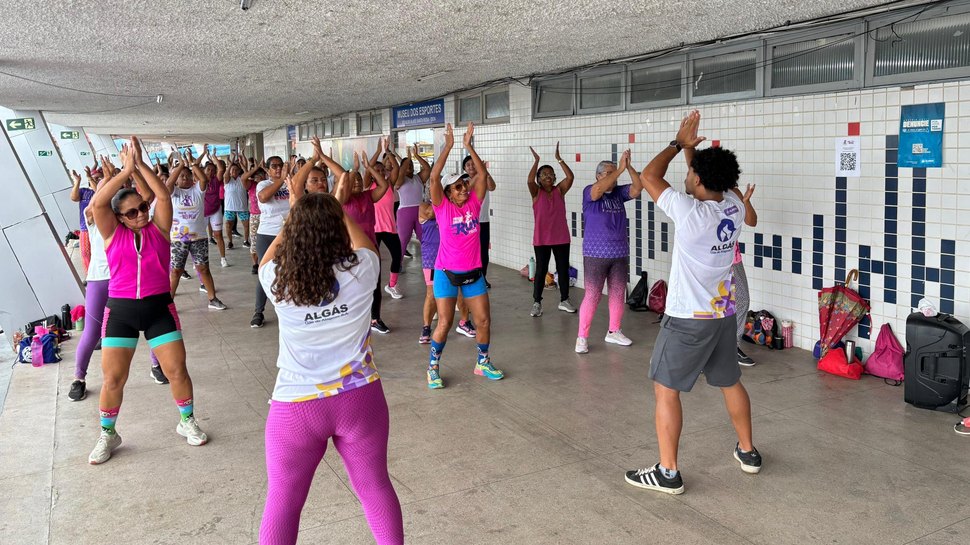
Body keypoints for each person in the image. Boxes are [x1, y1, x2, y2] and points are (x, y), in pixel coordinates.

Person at [624, 110, 761, 495]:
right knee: (730, 382)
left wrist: (677, 144)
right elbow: (703, 180)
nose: (685, 179)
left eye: (691, 174)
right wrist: (692, 155)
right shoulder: (732, 203)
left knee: (665, 390)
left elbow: (650, 177)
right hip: (722, 316)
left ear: (698, 180)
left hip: (687, 319)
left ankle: (668, 473)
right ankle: (748, 452)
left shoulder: (690, 212)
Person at [256, 191, 403, 545]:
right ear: (337, 228)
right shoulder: (364, 270)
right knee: (374, 487)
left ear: (293, 232)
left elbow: (268, 255)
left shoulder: (276, 278)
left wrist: (294, 214)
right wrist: (337, 211)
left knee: (283, 502)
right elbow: (363, 242)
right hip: (360, 398)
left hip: (297, 405)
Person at [88, 137, 207, 465]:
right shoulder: (112, 234)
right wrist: (123, 171)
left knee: (177, 370)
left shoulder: (159, 229)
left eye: (142, 207)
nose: (141, 213)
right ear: (121, 218)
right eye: (132, 212)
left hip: (158, 308)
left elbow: (164, 195)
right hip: (122, 311)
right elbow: (99, 204)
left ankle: (187, 421)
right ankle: (108, 433)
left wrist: (138, 165)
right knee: (113, 378)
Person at [425, 123, 503, 389]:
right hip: (446, 273)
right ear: (447, 193)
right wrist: (448, 146)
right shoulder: (442, 208)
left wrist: (469, 146)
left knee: (483, 320)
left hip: (473, 274)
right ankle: (433, 368)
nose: (463, 190)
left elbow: (481, 175)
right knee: (445, 322)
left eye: (463, 186)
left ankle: (482, 361)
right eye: (457, 187)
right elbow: (434, 179)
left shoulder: (474, 203)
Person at [574, 150, 642, 354]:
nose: (615, 177)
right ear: (598, 176)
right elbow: (597, 191)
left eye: (615, 173)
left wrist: (628, 167)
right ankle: (582, 337)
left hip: (619, 252)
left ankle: (614, 330)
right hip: (596, 253)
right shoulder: (590, 191)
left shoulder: (619, 193)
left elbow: (638, 188)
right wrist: (620, 168)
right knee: (593, 295)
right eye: (609, 173)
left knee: (617, 293)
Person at [330, 145, 393, 334]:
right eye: (353, 180)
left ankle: (375, 319)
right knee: (350, 287)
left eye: (359, 179)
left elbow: (384, 185)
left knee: (375, 286)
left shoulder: (368, 196)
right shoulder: (341, 200)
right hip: (348, 250)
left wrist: (369, 167)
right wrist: (325, 158)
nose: (356, 182)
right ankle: (351, 319)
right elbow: (342, 178)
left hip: (371, 248)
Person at [166, 152, 227, 310]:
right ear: (177, 178)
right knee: (176, 271)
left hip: (199, 237)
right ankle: (168, 303)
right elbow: (168, 184)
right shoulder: (174, 193)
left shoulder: (198, 191)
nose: (184, 178)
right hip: (178, 239)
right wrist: (180, 166)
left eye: (187, 176)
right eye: (181, 176)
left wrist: (191, 163)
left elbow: (204, 179)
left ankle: (212, 298)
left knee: (203, 268)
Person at [527, 142, 576, 317]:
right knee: (541, 270)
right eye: (544, 174)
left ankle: (564, 300)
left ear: (554, 178)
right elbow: (529, 180)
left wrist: (559, 159)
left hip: (561, 237)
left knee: (563, 269)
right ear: (539, 178)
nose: (548, 176)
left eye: (550, 174)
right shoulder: (536, 192)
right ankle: (537, 302)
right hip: (541, 239)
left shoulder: (559, 190)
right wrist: (536, 161)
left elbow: (570, 177)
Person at [417, 201, 473, 345]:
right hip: (432, 258)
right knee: (431, 293)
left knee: (461, 289)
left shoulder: (451, 207)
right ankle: (426, 328)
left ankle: (464, 322)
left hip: (451, 256)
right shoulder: (423, 207)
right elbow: (429, 213)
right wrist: (446, 204)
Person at [251, 156, 291, 328]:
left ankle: (289, 308)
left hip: (289, 234)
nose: (278, 168)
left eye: (280, 166)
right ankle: (258, 312)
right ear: (267, 169)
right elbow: (264, 197)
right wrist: (282, 179)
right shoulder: (263, 184)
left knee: (290, 271)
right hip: (267, 234)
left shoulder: (289, 184)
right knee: (265, 272)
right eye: (274, 166)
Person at [365, 140, 405, 300]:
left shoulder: (389, 184)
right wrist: (376, 151)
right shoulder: (368, 185)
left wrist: (388, 152)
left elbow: (396, 167)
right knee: (373, 261)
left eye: (382, 170)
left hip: (389, 228)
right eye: (377, 170)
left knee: (397, 255)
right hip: (374, 229)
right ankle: (370, 289)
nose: (380, 172)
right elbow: (369, 169)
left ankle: (392, 285)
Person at [461, 153, 496, 288]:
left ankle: (482, 278)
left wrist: (485, 172)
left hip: (483, 221)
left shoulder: (483, 177)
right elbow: (469, 187)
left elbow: (492, 187)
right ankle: (469, 277)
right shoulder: (463, 180)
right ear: (464, 168)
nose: (471, 167)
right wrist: (481, 171)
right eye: (468, 165)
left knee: (483, 253)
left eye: (473, 164)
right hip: (468, 222)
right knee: (469, 252)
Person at [734, 186, 759, 366]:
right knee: (708, 305)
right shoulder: (704, 191)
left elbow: (751, 221)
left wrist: (745, 202)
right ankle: (703, 354)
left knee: (741, 300)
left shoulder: (733, 192)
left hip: (732, 258)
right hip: (707, 259)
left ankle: (731, 347)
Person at [396, 145, 429, 262]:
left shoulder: (418, 178)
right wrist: (408, 158)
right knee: (403, 240)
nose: (409, 166)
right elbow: (401, 173)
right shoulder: (399, 180)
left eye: (411, 164)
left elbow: (427, 168)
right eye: (406, 165)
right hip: (405, 213)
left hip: (420, 212)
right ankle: (397, 265)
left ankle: (429, 263)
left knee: (424, 238)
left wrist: (416, 156)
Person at [199, 146, 229, 267]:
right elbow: (194, 166)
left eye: (212, 170)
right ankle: (199, 260)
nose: (210, 172)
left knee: (218, 235)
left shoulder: (216, 180)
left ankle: (223, 258)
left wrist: (213, 157)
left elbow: (221, 169)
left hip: (215, 210)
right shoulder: (199, 181)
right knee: (200, 237)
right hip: (203, 212)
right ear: (204, 171)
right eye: (208, 170)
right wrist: (203, 153)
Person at [223, 150, 251, 250]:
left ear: (239, 171)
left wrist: (242, 157)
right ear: (230, 171)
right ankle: (230, 242)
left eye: (236, 170)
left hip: (242, 207)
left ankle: (246, 241)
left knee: (246, 225)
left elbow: (247, 172)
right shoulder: (227, 180)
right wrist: (230, 164)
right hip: (229, 208)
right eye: (232, 170)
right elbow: (226, 174)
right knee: (228, 225)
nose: (233, 171)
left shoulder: (242, 179)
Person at [70, 169, 96, 276]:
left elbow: (99, 192)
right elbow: (74, 197)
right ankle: (91, 275)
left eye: (98, 177)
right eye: (95, 177)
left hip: (100, 227)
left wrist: (90, 177)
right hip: (85, 227)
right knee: (85, 253)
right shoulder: (84, 191)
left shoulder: (103, 190)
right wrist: (77, 182)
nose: (96, 179)